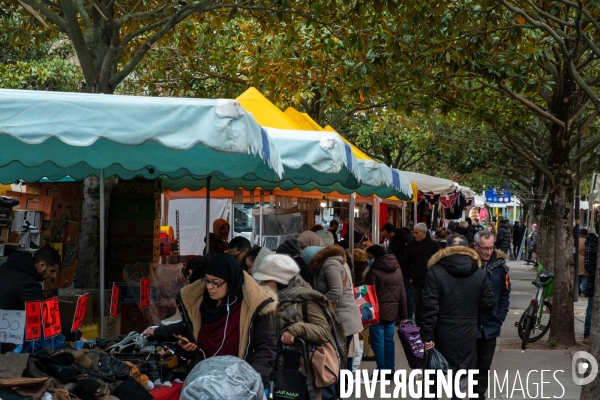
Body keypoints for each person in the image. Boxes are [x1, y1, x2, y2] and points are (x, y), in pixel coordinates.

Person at [145, 254, 277, 386]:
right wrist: (184, 348)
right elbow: (186, 327)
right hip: (201, 382)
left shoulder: (251, 309)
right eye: (207, 281)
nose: (209, 287)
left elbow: (266, 348)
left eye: (216, 282)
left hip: (236, 385)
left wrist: (251, 380)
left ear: (231, 281)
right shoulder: (200, 305)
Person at [253, 254, 346, 400]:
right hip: (275, 369)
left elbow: (323, 331)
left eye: (266, 280)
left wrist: (295, 329)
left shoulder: (307, 300)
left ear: (280, 280)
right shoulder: (268, 301)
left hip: (302, 373)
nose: (262, 284)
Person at [421, 235, 496, 399]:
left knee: (432, 377)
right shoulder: (478, 272)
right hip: (468, 333)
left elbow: (429, 308)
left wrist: (426, 337)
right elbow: (489, 303)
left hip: (441, 332)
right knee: (463, 379)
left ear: (446, 249)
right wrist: (471, 307)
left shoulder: (435, 272)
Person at [0, 247, 83, 353]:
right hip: (5, 337)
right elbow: (48, 313)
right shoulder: (26, 282)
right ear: (41, 265)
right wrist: (78, 336)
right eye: (51, 271)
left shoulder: (8, 267)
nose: (52, 275)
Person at [307, 245, 363, 392]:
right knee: (341, 356)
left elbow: (336, 291)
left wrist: (316, 299)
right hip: (340, 317)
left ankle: (338, 392)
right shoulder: (332, 263)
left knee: (338, 357)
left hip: (342, 318)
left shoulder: (330, 264)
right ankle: (340, 390)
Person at [472, 230, 511, 399]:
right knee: (467, 365)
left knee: (484, 365)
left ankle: (480, 395)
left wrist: (500, 316)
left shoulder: (500, 267)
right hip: (469, 325)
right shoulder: (468, 264)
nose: (488, 252)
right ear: (475, 246)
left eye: (491, 248)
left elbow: (505, 293)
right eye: (484, 248)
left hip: (490, 324)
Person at [365, 245, 407, 371]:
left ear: (375, 256)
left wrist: (365, 316)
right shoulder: (397, 270)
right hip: (392, 313)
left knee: (378, 342)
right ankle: (390, 368)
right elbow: (402, 294)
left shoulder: (373, 272)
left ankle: (382, 369)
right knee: (389, 341)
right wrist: (404, 315)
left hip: (376, 313)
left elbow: (368, 295)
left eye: (369, 257)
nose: (368, 259)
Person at [404, 222, 441, 326]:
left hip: (431, 279)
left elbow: (439, 262)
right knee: (418, 302)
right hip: (416, 278)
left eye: (417, 233)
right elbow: (407, 262)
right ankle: (419, 324)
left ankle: (431, 323)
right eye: (413, 233)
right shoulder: (411, 245)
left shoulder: (434, 245)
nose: (414, 235)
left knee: (431, 301)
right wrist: (408, 277)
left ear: (424, 232)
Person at [381, 223, 414, 321]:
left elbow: (409, 254)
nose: (386, 238)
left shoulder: (406, 237)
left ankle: (408, 317)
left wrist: (399, 261)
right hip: (399, 269)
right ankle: (402, 316)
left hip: (407, 269)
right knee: (400, 293)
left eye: (387, 235)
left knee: (407, 293)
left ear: (392, 232)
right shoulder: (395, 239)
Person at [583, 232, 597, 344]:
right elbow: (588, 265)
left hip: (593, 280)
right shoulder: (592, 244)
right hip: (593, 283)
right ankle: (587, 334)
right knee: (591, 309)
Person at [578, 228, 589, 297]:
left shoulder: (575, 240)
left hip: (576, 260)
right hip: (584, 260)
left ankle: (577, 290)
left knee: (577, 276)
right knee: (585, 276)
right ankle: (583, 291)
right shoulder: (586, 241)